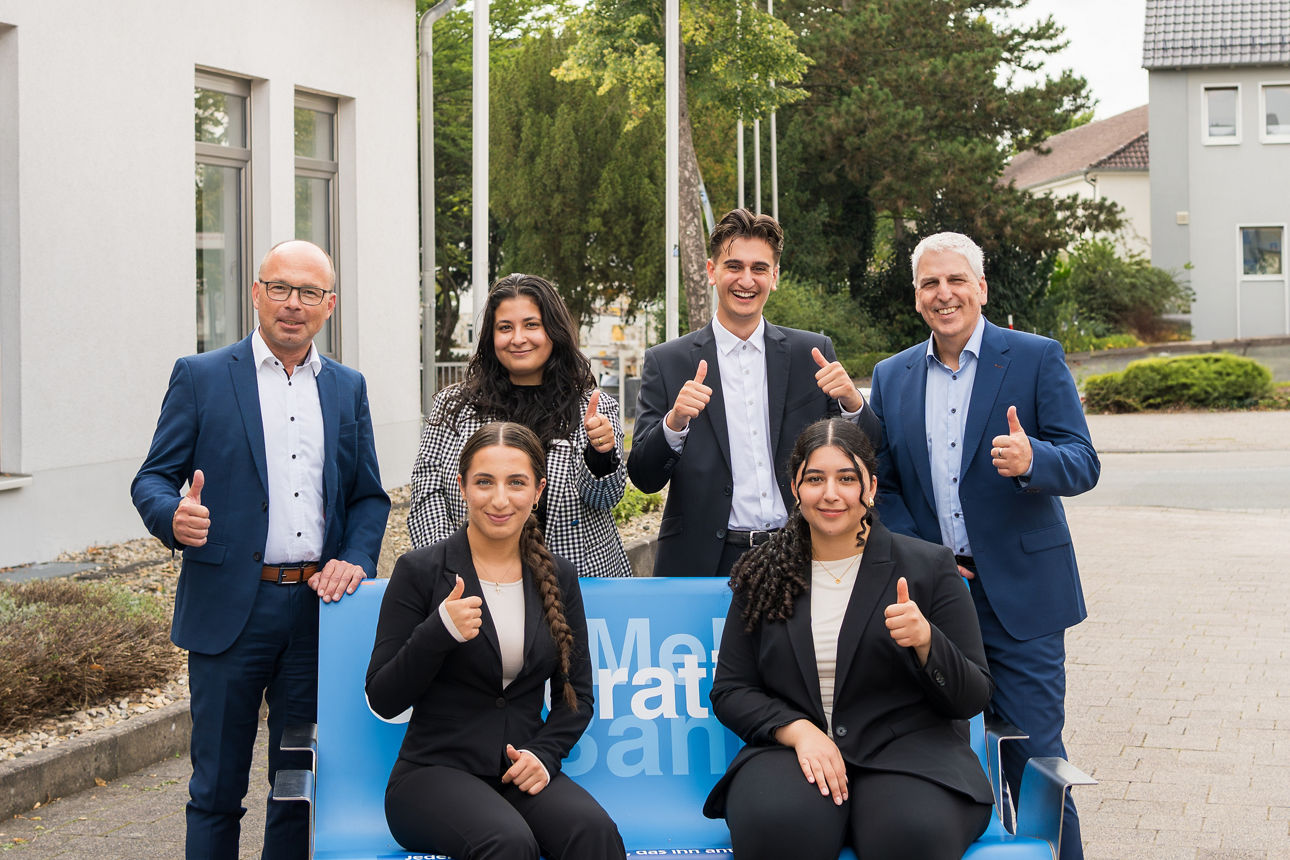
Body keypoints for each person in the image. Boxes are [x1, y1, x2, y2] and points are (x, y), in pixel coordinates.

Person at [131, 239, 390, 860]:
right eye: (280, 288)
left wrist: (354, 558)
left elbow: (368, 497)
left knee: (297, 788)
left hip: (313, 615)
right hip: (229, 616)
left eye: (308, 293)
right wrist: (174, 518)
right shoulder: (201, 377)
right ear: (256, 292)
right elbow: (152, 479)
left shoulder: (346, 388)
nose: (292, 304)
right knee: (216, 786)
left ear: (329, 305)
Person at [868, 231, 1100, 859]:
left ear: (981, 289)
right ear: (916, 296)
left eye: (956, 280)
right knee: (934, 762)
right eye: (930, 283)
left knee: (1036, 763)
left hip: (1021, 603)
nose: (944, 294)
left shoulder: (1034, 358)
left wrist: (1033, 460)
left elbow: (1083, 462)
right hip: (935, 599)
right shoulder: (891, 378)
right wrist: (928, 561)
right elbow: (880, 485)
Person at [702, 418, 994, 859]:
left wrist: (926, 642)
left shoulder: (928, 566)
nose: (831, 493)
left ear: (870, 488)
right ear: (796, 487)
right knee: (777, 826)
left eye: (847, 478)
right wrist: (797, 731)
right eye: (815, 479)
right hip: (796, 756)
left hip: (910, 753)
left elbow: (973, 696)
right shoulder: (764, 570)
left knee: (910, 833)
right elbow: (731, 690)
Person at [367, 422, 626, 860]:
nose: (500, 499)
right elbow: (383, 697)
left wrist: (543, 755)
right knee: (506, 843)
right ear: (462, 486)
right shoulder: (420, 571)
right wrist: (439, 631)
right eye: (484, 482)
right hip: (431, 774)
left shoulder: (558, 576)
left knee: (594, 832)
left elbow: (576, 696)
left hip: (516, 772)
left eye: (517, 483)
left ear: (538, 491)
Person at [627, 208, 880, 578]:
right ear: (712, 273)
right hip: (703, 564)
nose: (746, 279)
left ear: (774, 277)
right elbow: (644, 478)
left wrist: (853, 405)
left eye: (759, 268)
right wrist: (674, 423)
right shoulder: (667, 362)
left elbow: (870, 458)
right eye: (734, 266)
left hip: (804, 553)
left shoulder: (811, 353)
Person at [409, 273, 629, 577]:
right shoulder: (453, 406)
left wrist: (600, 455)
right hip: (474, 587)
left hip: (579, 588)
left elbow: (606, 499)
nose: (518, 338)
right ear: (490, 336)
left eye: (531, 325)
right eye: (505, 327)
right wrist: (451, 571)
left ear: (554, 330)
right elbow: (426, 494)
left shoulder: (592, 407)